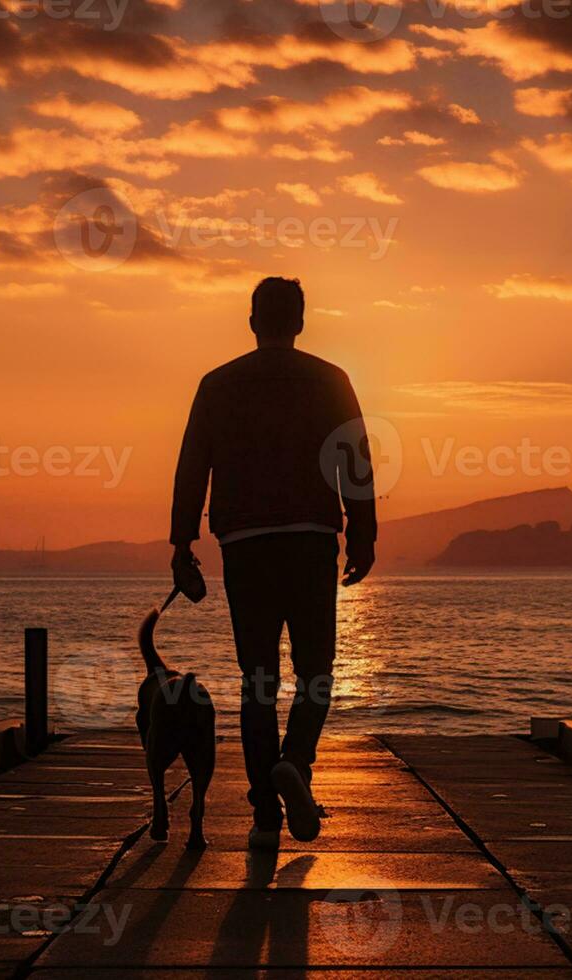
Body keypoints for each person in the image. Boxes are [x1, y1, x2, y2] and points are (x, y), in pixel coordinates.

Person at [169, 276, 377, 849]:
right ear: (301, 322)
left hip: (245, 544)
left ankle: (265, 812)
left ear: (253, 320)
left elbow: (193, 463)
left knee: (257, 679)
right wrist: (364, 535)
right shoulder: (331, 379)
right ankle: (297, 762)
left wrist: (181, 540)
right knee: (316, 673)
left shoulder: (218, 384)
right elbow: (355, 459)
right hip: (311, 540)